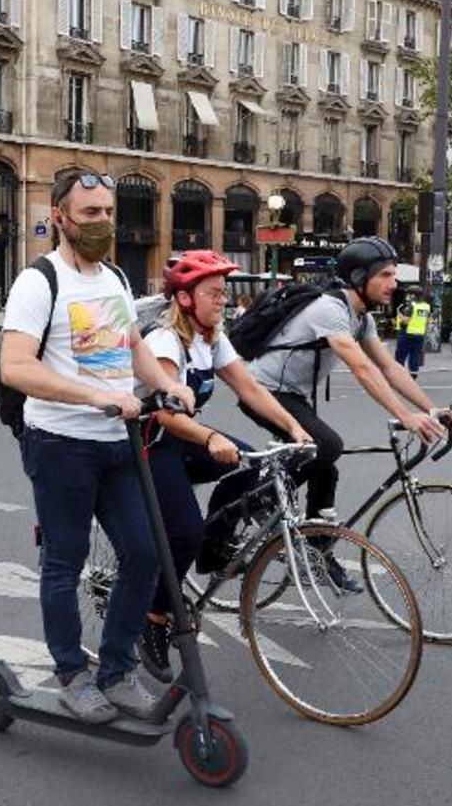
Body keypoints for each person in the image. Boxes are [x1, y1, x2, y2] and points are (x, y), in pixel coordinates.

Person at [0, 169, 194, 724]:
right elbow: (15, 368)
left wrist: (164, 383)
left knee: (144, 553)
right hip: (61, 443)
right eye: (89, 213)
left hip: (117, 441)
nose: (102, 221)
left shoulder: (114, 277)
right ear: (59, 215)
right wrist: (93, 397)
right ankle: (71, 675)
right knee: (65, 562)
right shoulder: (39, 282)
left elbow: (129, 342)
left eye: (108, 211)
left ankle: (115, 668)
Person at [240, 237, 452, 591]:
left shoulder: (361, 318)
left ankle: (318, 553)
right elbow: (362, 370)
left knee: (326, 470)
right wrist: (404, 416)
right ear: (360, 277)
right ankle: (260, 497)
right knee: (328, 444)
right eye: (387, 275)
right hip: (263, 391)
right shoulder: (329, 309)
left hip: (293, 395)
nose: (395, 283)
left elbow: (390, 368)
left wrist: (432, 410)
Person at [136, 251, 312, 682]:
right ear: (184, 299)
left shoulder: (211, 338)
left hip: (184, 439)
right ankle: (153, 618)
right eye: (214, 292)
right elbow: (164, 413)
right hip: (151, 445)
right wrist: (212, 437)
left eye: (224, 292)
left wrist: (293, 427)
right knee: (183, 533)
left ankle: (213, 551)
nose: (224, 300)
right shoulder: (165, 341)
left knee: (252, 465)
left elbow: (249, 388)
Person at [394, 286, 431, 380]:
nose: (407, 296)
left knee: (400, 355)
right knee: (415, 355)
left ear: (413, 295)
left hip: (408, 333)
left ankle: (398, 376)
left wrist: (399, 314)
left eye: (409, 294)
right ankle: (413, 375)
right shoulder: (426, 306)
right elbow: (427, 321)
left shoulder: (412, 305)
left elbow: (406, 320)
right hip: (420, 334)